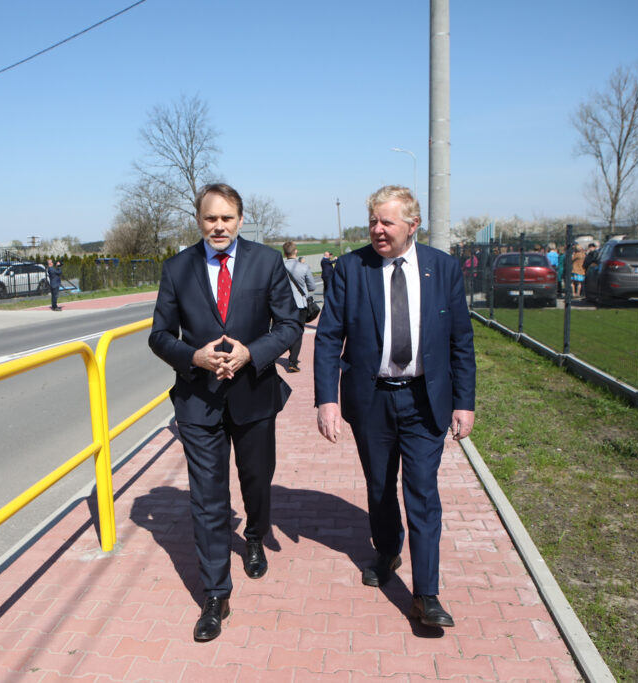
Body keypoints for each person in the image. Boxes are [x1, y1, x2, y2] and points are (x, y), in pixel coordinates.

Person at [314, 185, 476, 628]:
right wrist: (327, 399)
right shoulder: (350, 269)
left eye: (387, 222)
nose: (378, 230)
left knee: (422, 491)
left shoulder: (443, 268)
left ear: (413, 224)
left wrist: (464, 402)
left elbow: (461, 341)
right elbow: (328, 338)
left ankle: (426, 594)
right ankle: (387, 550)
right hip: (372, 399)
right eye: (373, 221)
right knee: (381, 486)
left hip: (425, 399)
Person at [148, 183, 301, 642]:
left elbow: (290, 324)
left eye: (227, 218)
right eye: (210, 218)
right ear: (199, 220)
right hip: (199, 401)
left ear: (240, 220)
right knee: (207, 498)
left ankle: (254, 535)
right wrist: (192, 356)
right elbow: (159, 335)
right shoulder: (177, 268)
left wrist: (253, 353)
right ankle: (215, 593)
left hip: (254, 394)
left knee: (256, 479)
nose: (218, 226)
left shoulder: (266, 262)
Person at [283, 241, 316, 373]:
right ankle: (293, 361)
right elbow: (312, 286)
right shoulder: (304, 267)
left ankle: (292, 355)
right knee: (298, 331)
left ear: (285, 253)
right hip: (300, 304)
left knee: (288, 330)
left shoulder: (280, 267)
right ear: (295, 251)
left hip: (284, 304)